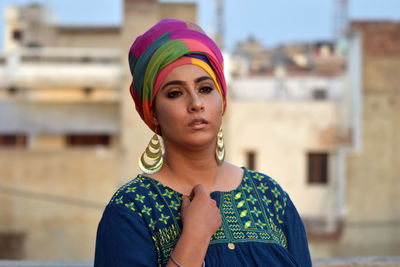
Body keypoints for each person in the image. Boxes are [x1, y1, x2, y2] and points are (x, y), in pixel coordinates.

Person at [94, 19, 311, 267]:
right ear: (152, 112)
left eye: (206, 88)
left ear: (222, 101)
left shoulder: (270, 197)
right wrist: (195, 237)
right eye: (175, 93)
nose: (196, 103)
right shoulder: (132, 210)